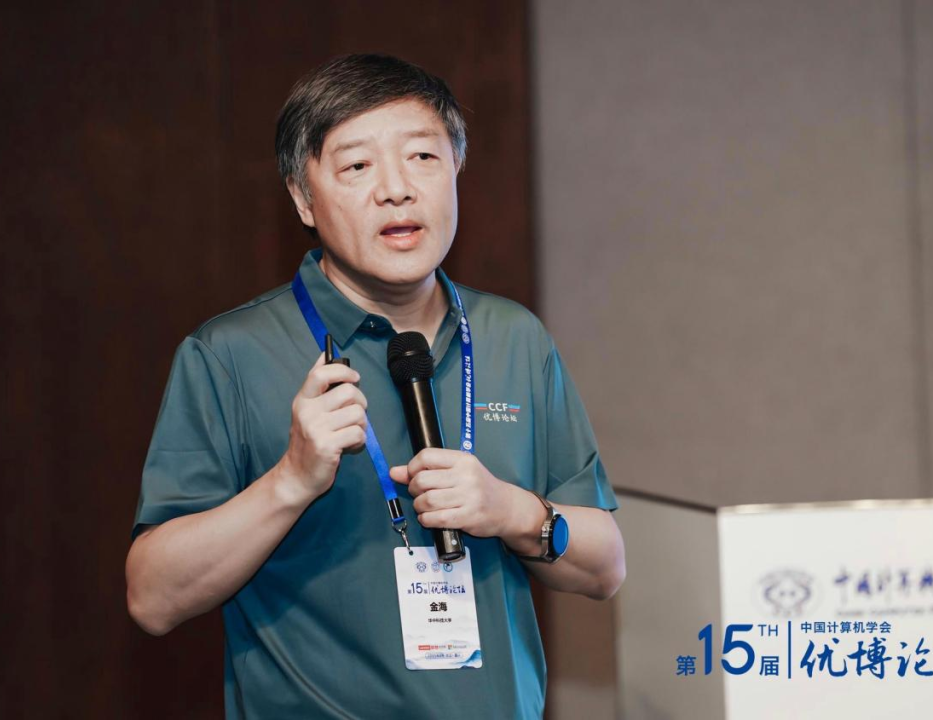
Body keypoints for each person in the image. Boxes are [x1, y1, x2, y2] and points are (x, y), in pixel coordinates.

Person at [125, 53, 625, 719]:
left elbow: (605, 566)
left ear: (456, 170)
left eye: (422, 157)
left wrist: (510, 510)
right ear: (303, 199)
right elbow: (153, 598)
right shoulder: (230, 354)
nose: (397, 189)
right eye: (358, 166)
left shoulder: (513, 336)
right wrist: (290, 481)